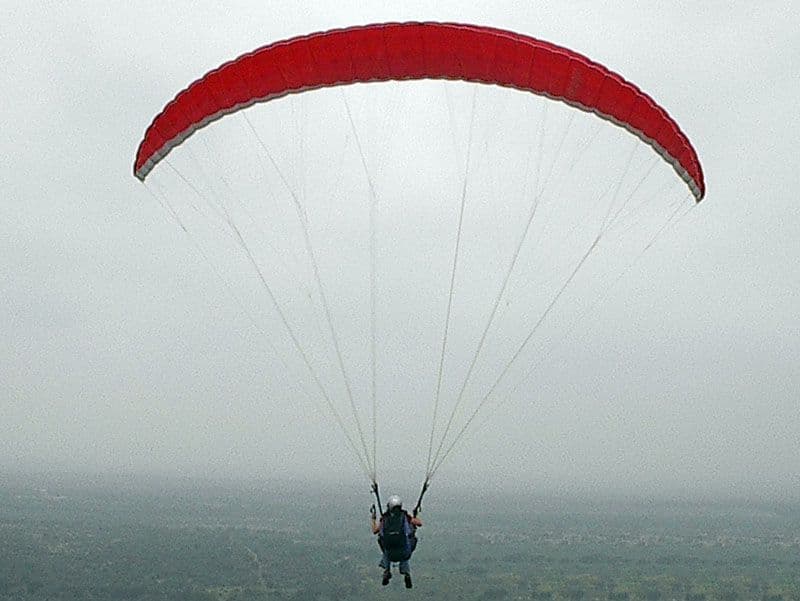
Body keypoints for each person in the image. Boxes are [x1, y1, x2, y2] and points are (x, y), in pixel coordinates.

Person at [370, 495, 422, 588]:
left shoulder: (384, 518)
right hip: (404, 553)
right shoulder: (405, 516)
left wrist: (373, 519)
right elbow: (419, 523)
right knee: (409, 541)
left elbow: (375, 531)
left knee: (382, 541)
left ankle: (387, 569)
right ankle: (406, 573)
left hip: (389, 554)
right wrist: (415, 515)